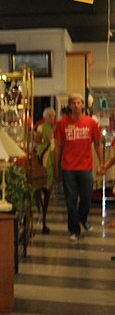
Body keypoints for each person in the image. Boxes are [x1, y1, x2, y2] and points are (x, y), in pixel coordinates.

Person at [55, 93, 103, 242]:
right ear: (69, 106)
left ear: (83, 105)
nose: (76, 105)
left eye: (78, 102)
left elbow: (97, 144)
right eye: (73, 103)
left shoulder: (91, 123)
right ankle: (74, 230)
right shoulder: (62, 124)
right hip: (68, 167)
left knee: (87, 197)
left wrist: (101, 163)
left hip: (85, 166)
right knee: (70, 200)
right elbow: (57, 147)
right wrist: (56, 166)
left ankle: (83, 218)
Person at [32, 107, 57, 233]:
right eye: (50, 116)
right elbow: (37, 140)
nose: (52, 118)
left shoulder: (56, 127)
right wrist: (45, 141)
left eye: (53, 116)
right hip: (44, 152)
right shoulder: (41, 127)